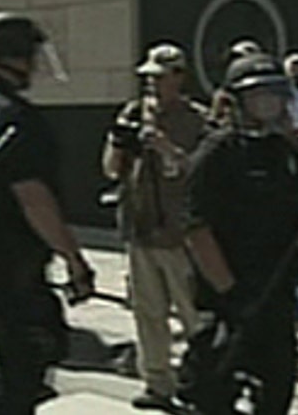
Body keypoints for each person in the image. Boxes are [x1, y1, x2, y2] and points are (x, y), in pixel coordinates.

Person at [0, 10, 95, 414]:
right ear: (16, 56)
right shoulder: (18, 118)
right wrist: (75, 261)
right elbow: (34, 200)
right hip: (14, 265)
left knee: (12, 363)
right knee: (27, 368)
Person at [179, 53, 298, 414]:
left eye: (275, 93)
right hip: (231, 301)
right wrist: (231, 294)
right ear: (237, 100)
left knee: (276, 393)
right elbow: (196, 229)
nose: (269, 103)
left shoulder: (284, 152)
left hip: (276, 297)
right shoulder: (217, 153)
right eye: (258, 95)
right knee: (212, 396)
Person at [101, 42, 206, 410]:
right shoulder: (132, 112)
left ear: (179, 77)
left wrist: (167, 148)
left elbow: (203, 174)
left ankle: (205, 382)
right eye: (148, 78)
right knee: (149, 314)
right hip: (140, 228)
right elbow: (111, 169)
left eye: (159, 78)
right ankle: (157, 383)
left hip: (179, 234)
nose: (152, 85)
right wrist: (120, 142)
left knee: (194, 316)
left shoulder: (196, 120)